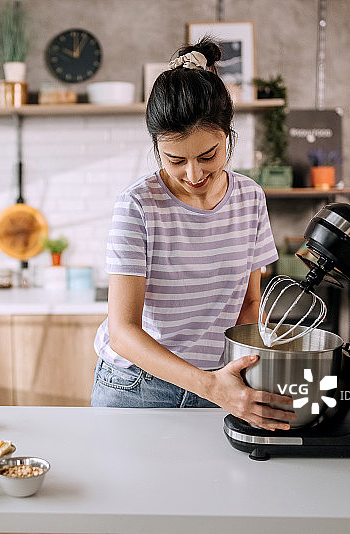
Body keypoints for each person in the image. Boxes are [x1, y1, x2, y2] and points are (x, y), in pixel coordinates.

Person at [91, 37, 296, 431]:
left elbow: (249, 303)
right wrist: (212, 387)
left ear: (228, 136)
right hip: (136, 389)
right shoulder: (138, 204)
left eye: (208, 156)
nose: (194, 174)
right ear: (156, 147)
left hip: (219, 382)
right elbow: (123, 332)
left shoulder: (250, 199)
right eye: (175, 160)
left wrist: (246, 374)